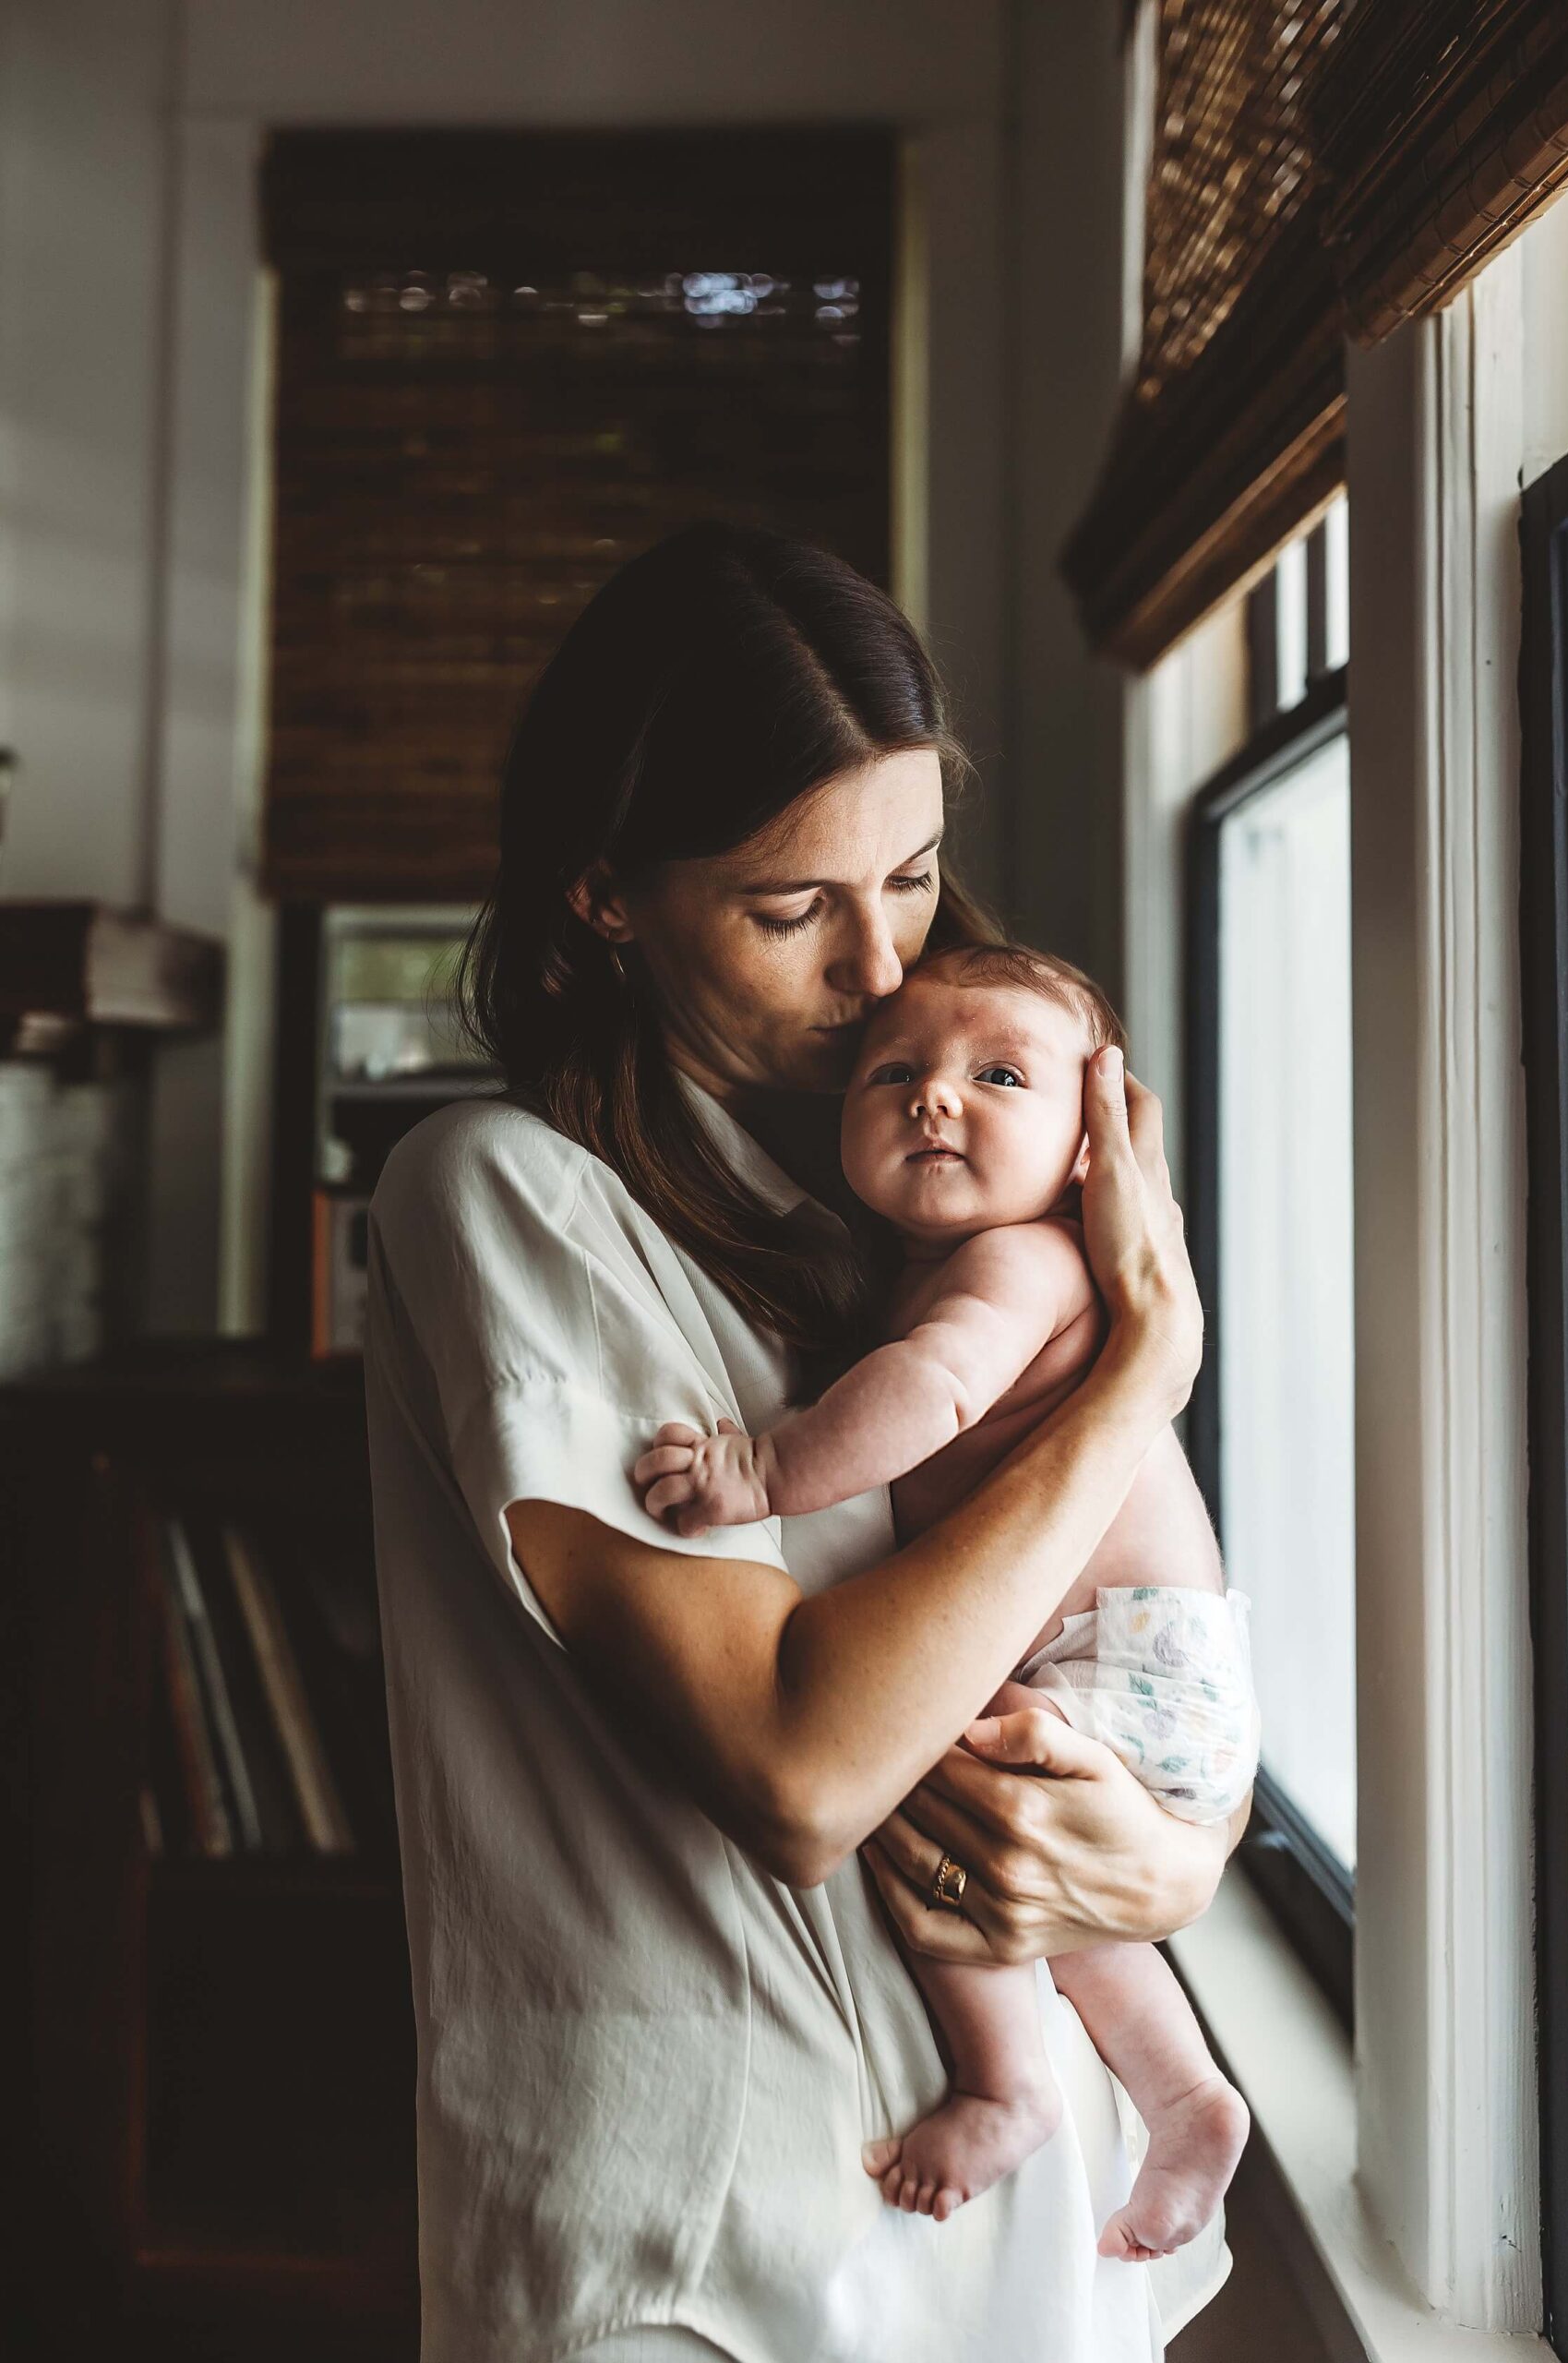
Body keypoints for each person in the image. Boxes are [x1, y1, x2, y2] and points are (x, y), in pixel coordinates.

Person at [362, 520, 1249, 2363]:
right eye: (791, 905)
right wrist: (1137, 1370)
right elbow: (804, 1765)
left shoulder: (928, 1189)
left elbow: (1115, 1619)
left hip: (1020, 2236)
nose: (875, 966)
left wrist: (1170, 1852)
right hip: (716, 2251)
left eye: (912, 876)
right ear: (608, 893)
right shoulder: (510, 1202)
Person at [635, 940, 1255, 2254]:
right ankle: (1188, 2095)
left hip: (1115, 1668)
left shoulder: (1022, 1263)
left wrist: (763, 1466)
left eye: (1000, 1076)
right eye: (896, 1073)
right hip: (1148, 1673)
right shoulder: (958, 1263)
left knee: (935, 1814)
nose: (935, 1098)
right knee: (1042, 1884)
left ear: (1094, 1144)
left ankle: (1007, 2082)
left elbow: (938, 1390)